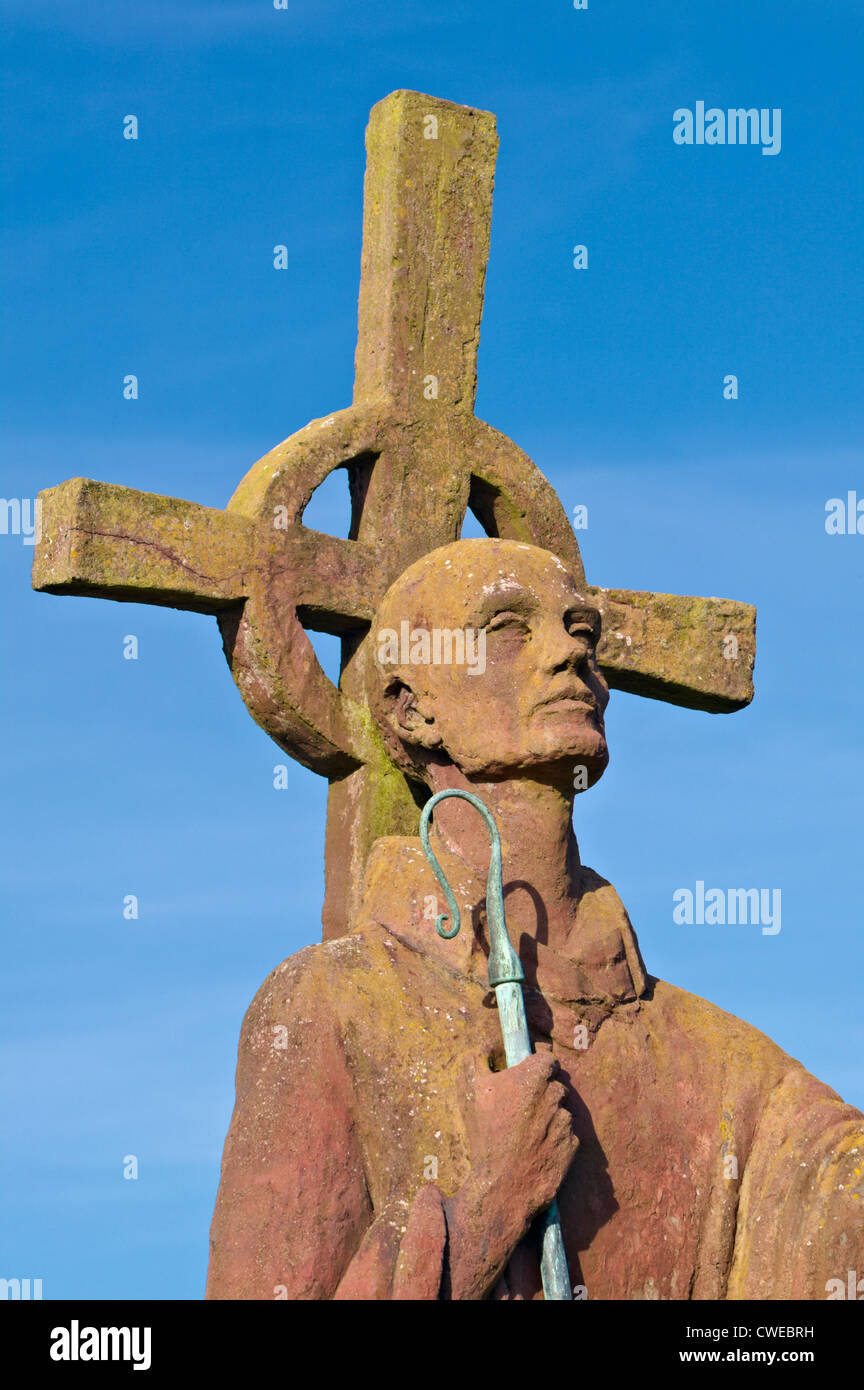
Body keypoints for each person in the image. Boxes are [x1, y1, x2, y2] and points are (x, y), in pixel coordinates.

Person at [206, 539, 864, 1300]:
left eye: (582, 633)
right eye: (509, 629)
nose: (569, 655)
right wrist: (485, 1210)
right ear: (415, 710)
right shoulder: (330, 1005)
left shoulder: (731, 1072)